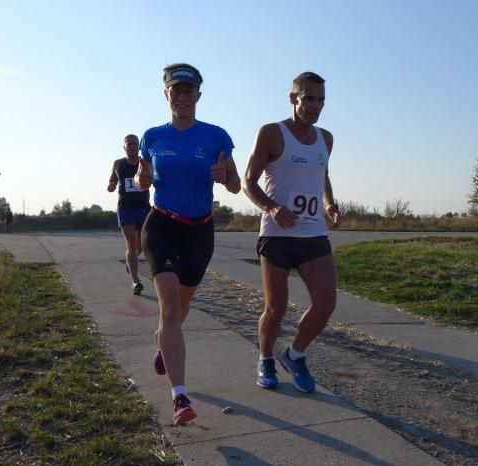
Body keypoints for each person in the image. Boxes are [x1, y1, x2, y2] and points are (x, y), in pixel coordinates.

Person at [135, 63, 241, 425]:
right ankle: (180, 397)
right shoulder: (152, 137)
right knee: (169, 308)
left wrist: (225, 177)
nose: (182, 97)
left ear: (198, 95)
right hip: (161, 226)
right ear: (166, 95)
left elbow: (236, 185)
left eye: (188, 91)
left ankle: (164, 342)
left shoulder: (216, 136)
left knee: (180, 309)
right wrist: (143, 179)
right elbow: (144, 176)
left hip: (200, 231)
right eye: (175, 91)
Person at [242, 71, 341, 393]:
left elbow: (322, 174)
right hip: (277, 235)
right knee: (276, 308)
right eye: (309, 98)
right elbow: (248, 181)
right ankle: (266, 358)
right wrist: (271, 207)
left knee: (326, 304)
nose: (315, 106)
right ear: (293, 98)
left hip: (314, 235)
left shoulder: (326, 138)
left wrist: (329, 204)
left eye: (321, 100)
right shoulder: (272, 133)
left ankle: (295, 354)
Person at [108, 134, 151, 295]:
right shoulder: (118, 163)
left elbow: (155, 179)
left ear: (139, 146)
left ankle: (130, 261)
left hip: (143, 208)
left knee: (141, 246)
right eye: (129, 144)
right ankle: (135, 281)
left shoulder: (145, 163)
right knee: (131, 243)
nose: (132, 146)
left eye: (135, 144)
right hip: (125, 208)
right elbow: (112, 180)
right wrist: (111, 186)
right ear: (124, 147)